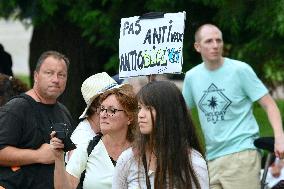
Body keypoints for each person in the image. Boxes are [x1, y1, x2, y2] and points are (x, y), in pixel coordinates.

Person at [182, 23, 284, 189]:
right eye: (209, 41)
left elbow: (270, 105)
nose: (215, 45)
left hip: (242, 153)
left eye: (219, 40)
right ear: (197, 47)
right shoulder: (192, 77)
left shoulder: (240, 70)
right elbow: (179, 113)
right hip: (211, 159)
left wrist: (280, 138)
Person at [113, 80, 209, 189]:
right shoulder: (128, 159)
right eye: (139, 108)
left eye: (148, 108)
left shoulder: (193, 162)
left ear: (167, 112)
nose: (140, 115)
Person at [0, 50, 75, 189]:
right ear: (36, 76)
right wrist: (38, 155)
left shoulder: (63, 111)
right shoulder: (17, 108)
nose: (56, 79)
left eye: (61, 75)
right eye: (49, 73)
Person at [51, 83, 138, 189]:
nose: (103, 115)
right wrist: (58, 158)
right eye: (102, 109)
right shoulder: (87, 147)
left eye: (111, 110)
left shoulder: (142, 150)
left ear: (129, 118)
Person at [66, 72, 120, 161]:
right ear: (95, 105)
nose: (117, 100)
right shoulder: (82, 141)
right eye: (110, 97)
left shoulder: (104, 130)